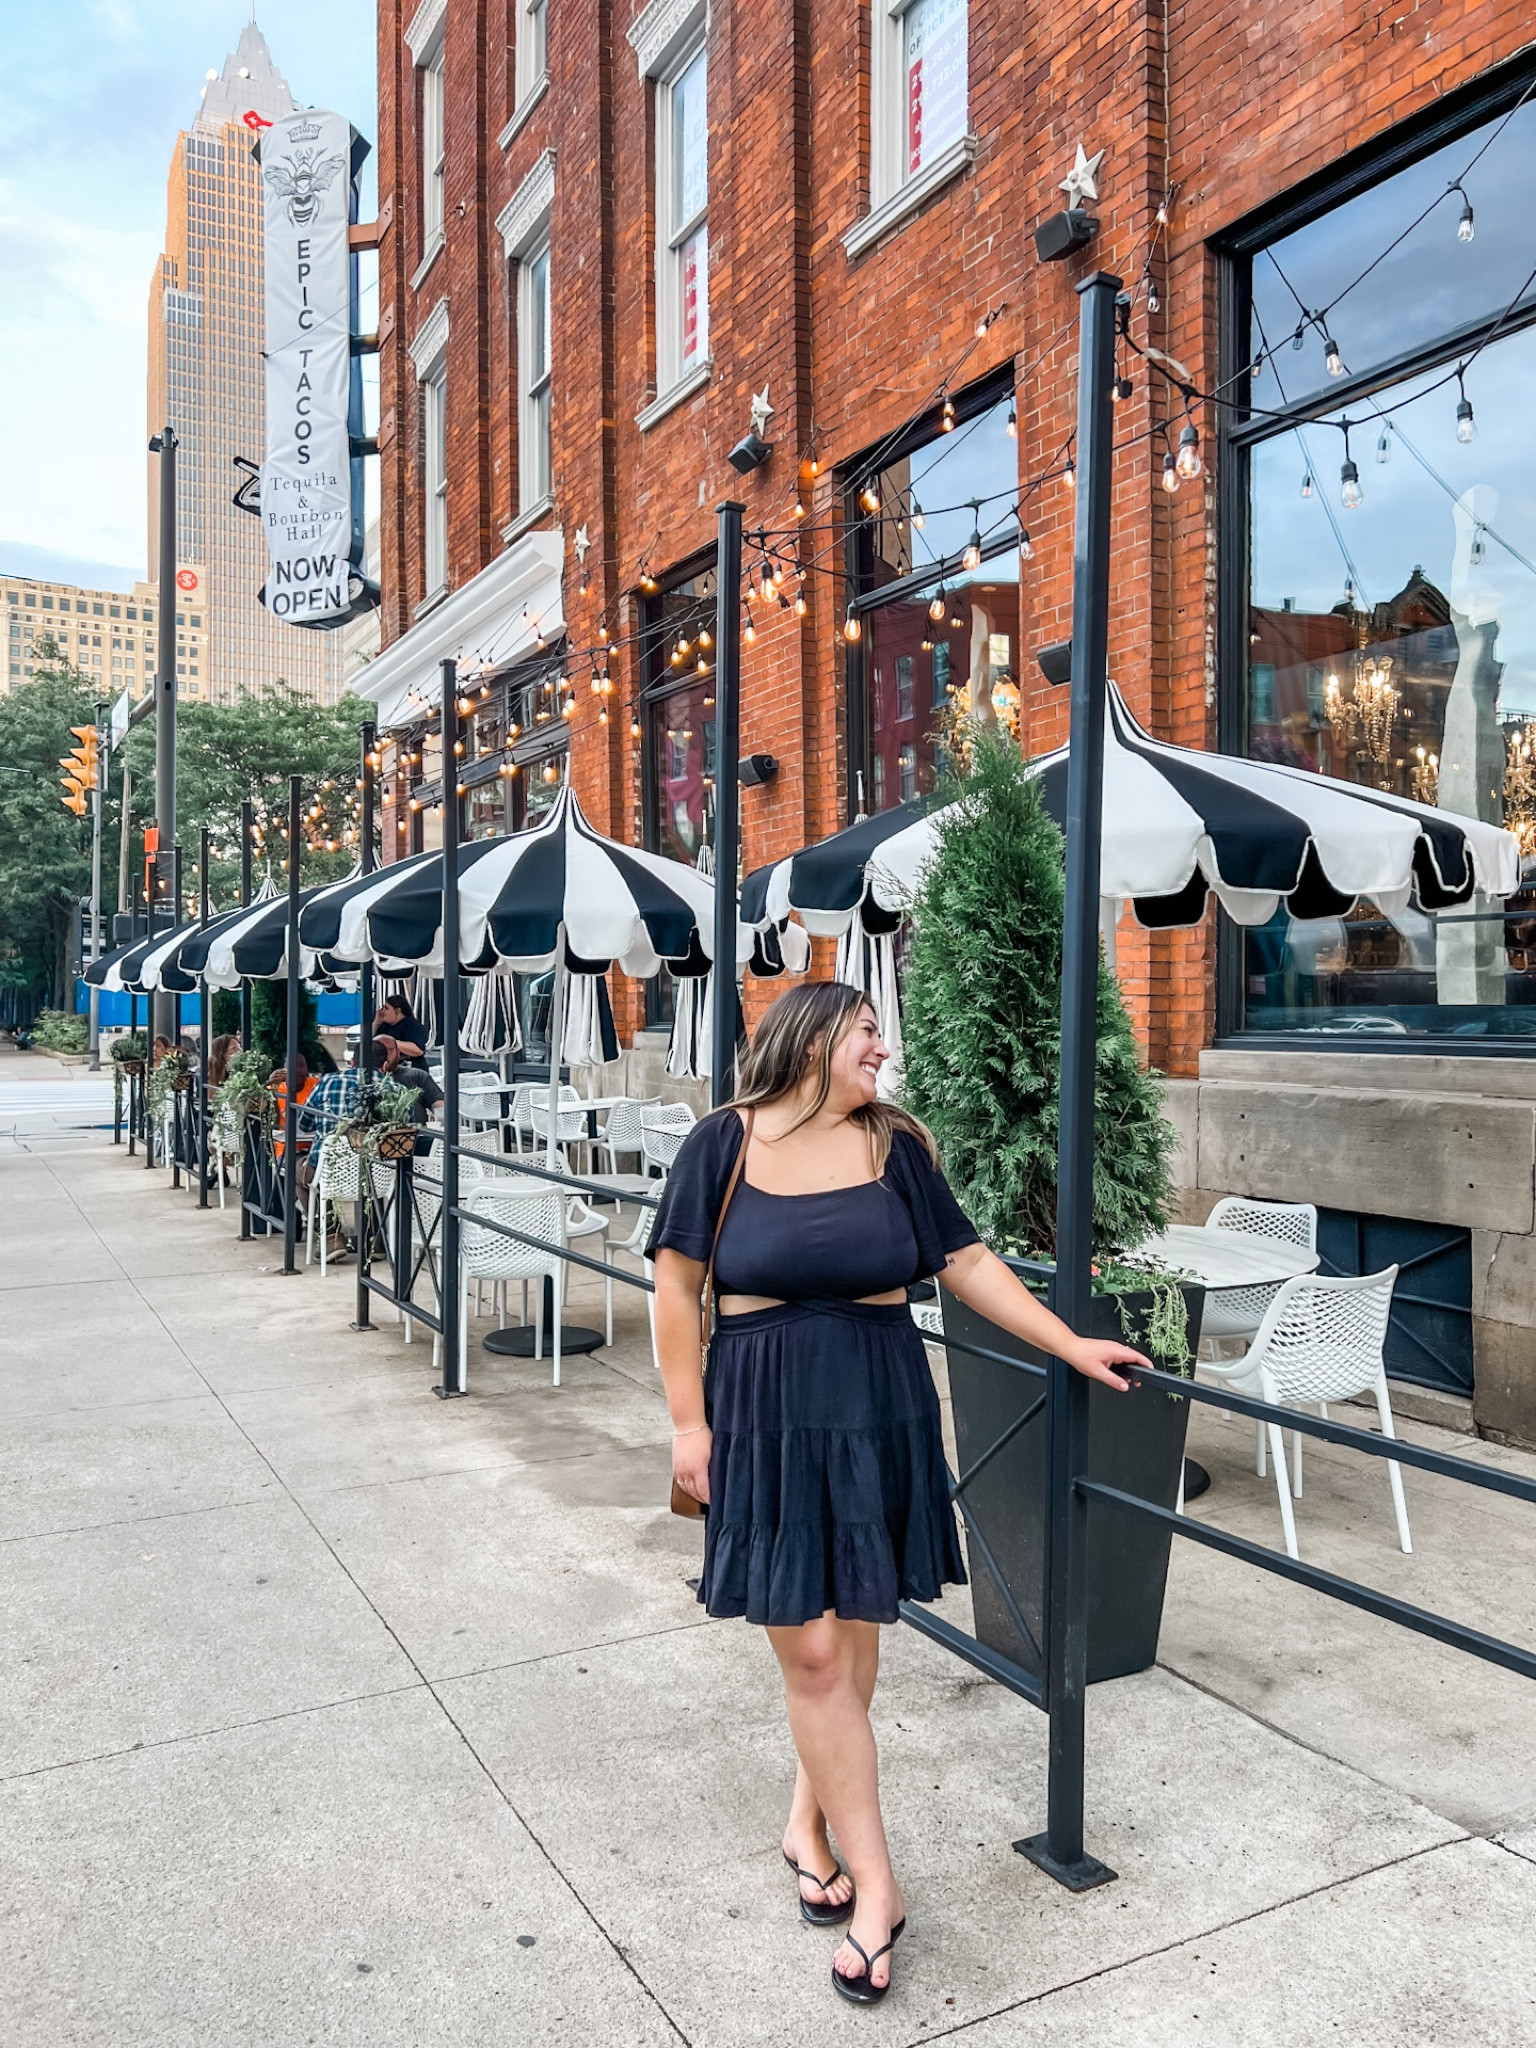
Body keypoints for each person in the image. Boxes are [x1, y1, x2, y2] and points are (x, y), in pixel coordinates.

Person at [647, 982, 1148, 2008]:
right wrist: (688, 1425)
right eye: (868, 1029)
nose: (884, 1046)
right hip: (765, 1414)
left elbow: (963, 1262)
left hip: (880, 1407)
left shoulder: (895, 1145)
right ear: (814, 1035)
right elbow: (673, 1283)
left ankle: (807, 1819)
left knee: (856, 1641)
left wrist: (1067, 1339)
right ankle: (879, 1887)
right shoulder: (722, 1144)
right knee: (816, 1648)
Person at [373, 1034, 443, 1152]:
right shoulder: (369, 1078)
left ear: (398, 1052)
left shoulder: (416, 1076)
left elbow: (439, 1103)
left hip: (417, 1140)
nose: (384, 1054)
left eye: (388, 1050)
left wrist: (442, 1128)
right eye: (379, 1051)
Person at [371, 993, 428, 1061]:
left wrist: (390, 1042)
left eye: (386, 1008)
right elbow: (368, 1041)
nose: (382, 1011)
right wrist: (376, 1023)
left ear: (397, 1011)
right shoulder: (384, 1025)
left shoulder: (412, 1025)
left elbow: (418, 1050)